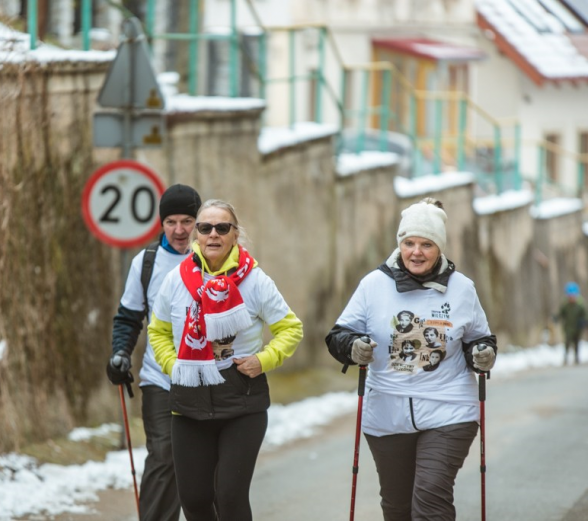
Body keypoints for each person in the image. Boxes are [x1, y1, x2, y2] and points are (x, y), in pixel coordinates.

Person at [325, 198, 497, 521]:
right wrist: (353, 347)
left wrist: (483, 355)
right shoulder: (373, 286)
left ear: (440, 248)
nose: (416, 252)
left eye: (426, 244)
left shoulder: (462, 289)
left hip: (449, 409)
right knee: (397, 507)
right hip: (386, 415)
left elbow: (481, 339)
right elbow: (338, 336)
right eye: (409, 243)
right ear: (400, 244)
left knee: (430, 501)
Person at [147, 199, 303, 521]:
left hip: (242, 402)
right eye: (205, 228)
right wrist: (173, 365)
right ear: (196, 235)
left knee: (230, 496)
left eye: (222, 228)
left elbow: (290, 328)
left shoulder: (255, 280)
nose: (213, 234)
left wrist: (263, 360)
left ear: (235, 235)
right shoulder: (176, 280)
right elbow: (158, 331)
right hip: (189, 400)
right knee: (194, 499)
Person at [106, 183, 202, 521]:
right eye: (171, 222)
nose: (179, 230)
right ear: (161, 224)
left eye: (187, 221)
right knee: (164, 454)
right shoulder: (146, 263)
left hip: (209, 381)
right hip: (159, 377)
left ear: (198, 222)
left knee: (202, 461)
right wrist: (120, 352)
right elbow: (129, 318)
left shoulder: (216, 259)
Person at [556, 281, 586, 365]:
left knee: (576, 342)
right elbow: (561, 314)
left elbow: (584, 314)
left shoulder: (580, 305)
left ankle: (576, 357)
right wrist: (556, 318)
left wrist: (584, 321)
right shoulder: (565, 305)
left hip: (577, 327)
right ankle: (565, 357)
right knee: (567, 342)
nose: (571, 297)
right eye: (570, 296)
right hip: (568, 327)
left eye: (573, 296)